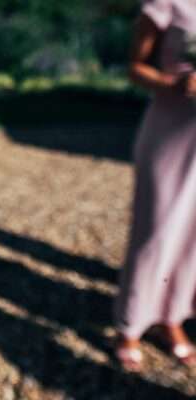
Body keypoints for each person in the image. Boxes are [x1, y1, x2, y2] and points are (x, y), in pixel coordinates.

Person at [114, 0, 196, 371]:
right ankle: (129, 325)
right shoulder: (167, 4)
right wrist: (173, 81)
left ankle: (172, 318)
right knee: (155, 233)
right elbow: (134, 68)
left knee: (191, 239)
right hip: (169, 133)